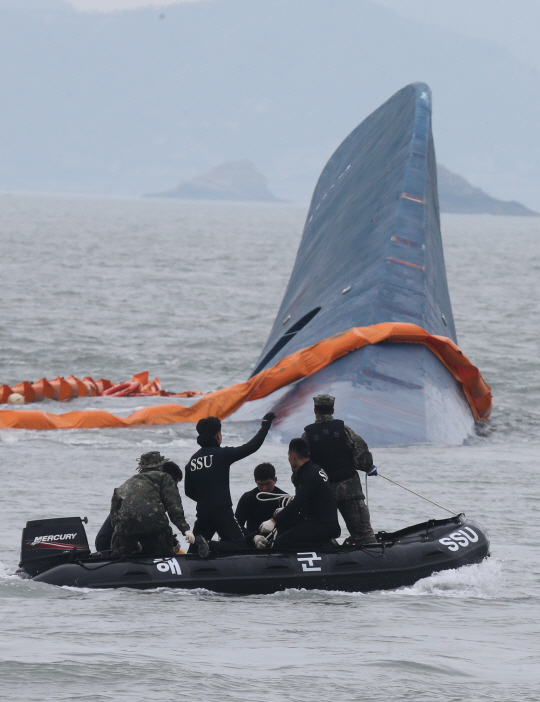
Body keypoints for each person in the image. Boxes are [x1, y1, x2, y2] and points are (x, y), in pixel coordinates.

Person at [184, 413, 276, 549]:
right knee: (238, 544)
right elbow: (251, 446)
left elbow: (188, 491)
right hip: (222, 512)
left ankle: (202, 546)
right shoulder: (221, 454)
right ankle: (209, 545)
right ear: (218, 435)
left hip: (203, 512)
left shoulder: (192, 461)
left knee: (194, 552)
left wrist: (205, 500)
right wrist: (265, 427)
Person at [302, 394, 377, 544]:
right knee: (363, 534)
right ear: (333, 410)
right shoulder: (345, 431)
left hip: (322, 494)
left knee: (321, 534)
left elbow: (301, 467)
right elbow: (362, 459)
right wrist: (369, 467)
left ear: (315, 411)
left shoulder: (307, 436)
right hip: (349, 490)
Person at [110, 451, 198, 556]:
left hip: (124, 530)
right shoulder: (164, 477)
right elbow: (173, 507)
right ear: (160, 466)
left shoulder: (126, 483)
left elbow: (114, 515)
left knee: (122, 555)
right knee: (164, 554)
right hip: (155, 526)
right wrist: (186, 530)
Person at [259, 438, 341, 550]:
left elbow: (298, 502)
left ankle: (325, 546)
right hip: (321, 521)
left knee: (282, 542)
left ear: (293, 456)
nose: (288, 459)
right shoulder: (315, 469)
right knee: (284, 524)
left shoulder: (310, 475)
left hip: (322, 526)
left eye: (288, 456)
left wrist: (273, 521)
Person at [235, 463, 288, 547]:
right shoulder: (247, 498)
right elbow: (236, 525)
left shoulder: (284, 498)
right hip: (253, 542)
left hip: (277, 543)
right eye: (261, 484)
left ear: (275, 480)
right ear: (255, 481)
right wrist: (253, 537)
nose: (264, 488)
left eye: (268, 484)